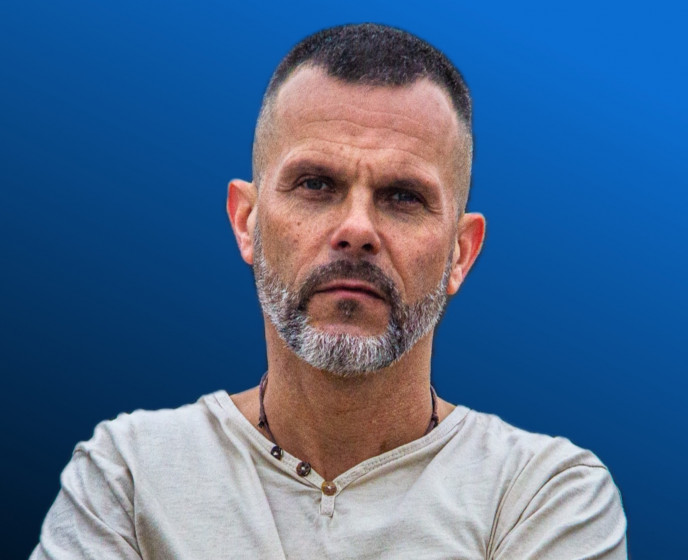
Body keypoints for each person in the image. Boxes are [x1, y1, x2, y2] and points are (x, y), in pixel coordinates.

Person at [30, 23, 627, 559]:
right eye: (316, 184)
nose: (357, 230)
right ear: (247, 222)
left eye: (403, 196)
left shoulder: (542, 494)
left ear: (460, 254)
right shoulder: (131, 475)